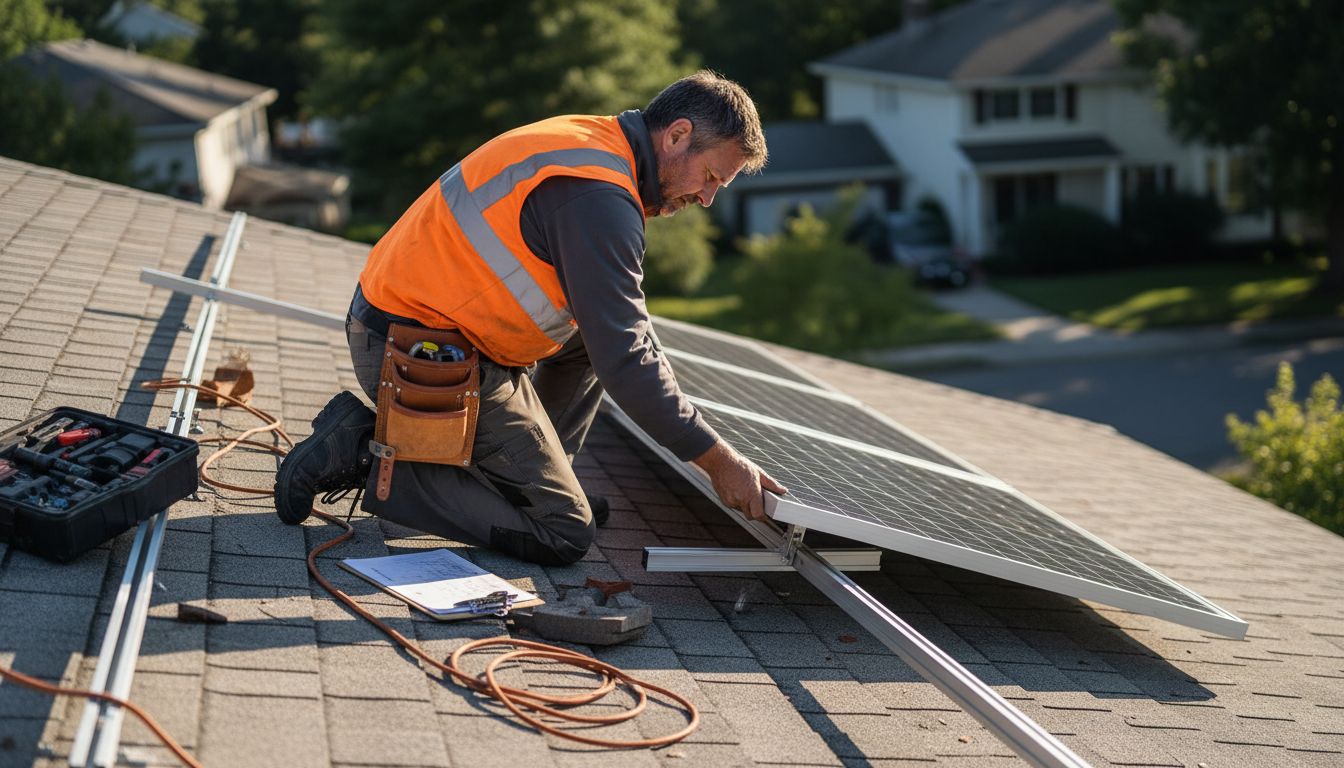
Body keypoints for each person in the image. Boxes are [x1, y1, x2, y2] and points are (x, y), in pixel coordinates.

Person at [274, 70, 786, 565]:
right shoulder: (598, 198)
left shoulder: (595, 142)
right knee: (562, 531)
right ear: (677, 135)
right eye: (712, 176)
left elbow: (627, 334)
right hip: (418, 351)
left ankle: (534, 477)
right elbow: (628, 361)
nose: (706, 197)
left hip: (423, 324)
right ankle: (362, 452)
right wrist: (721, 462)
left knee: (591, 338)